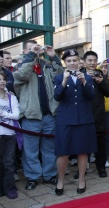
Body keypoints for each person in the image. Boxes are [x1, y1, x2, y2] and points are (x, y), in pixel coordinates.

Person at [13, 41, 64, 190]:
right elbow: (22, 75)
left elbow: (60, 76)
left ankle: (49, 175)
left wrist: (53, 57)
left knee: (49, 148)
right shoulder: (20, 67)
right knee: (30, 150)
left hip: (49, 115)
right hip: (31, 116)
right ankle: (33, 177)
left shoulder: (46, 66)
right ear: (25, 51)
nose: (35, 51)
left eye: (37, 48)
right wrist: (31, 57)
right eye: (31, 49)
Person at [53, 50, 97, 195]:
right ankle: (60, 180)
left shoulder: (87, 77)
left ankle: (82, 179)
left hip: (84, 119)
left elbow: (91, 96)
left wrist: (84, 81)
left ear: (79, 62)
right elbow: (57, 97)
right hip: (65, 120)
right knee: (63, 152)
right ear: (65, 63)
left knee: (83, 151)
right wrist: (65, 81)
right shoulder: (59, 77)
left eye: (75, 60)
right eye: (69, 61)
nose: (72, 63)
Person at [82, 51, 109, 178]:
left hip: (99, 115)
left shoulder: (99, 74)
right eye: (89, 60)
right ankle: (82, 169)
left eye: (94, 60)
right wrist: (85, 78)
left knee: (101, 143)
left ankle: (101, 167)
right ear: (84, 62)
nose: (92, 63)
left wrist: (101, 82)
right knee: (84, 144)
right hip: (84, 115)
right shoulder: (79, 74)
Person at [0, 71, 20, 200]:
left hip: (10, 133)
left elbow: (17, 115)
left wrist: (3, 114)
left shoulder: (12, 97)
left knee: (8, 162)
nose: (1, 81)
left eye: (3, 79)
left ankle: (10, 188)